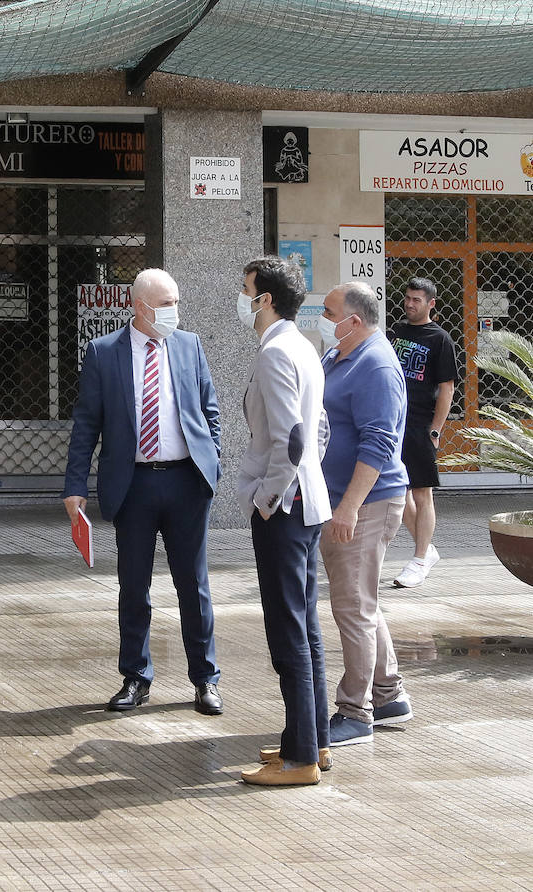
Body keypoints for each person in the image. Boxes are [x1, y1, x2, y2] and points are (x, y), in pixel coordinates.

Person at [61, 268, 223, 716]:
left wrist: (213, 464)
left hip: (187, 481)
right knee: (134, 587)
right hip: (132, 484)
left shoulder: (188, 345)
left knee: (194, 585)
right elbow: (86, 425)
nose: (174, 311)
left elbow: (209, 410)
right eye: (166, 303)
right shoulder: (104, 352)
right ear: (139, 306)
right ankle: (135, 676)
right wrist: (74, 485)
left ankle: (205, 679)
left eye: (176, 302)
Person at [234, 256, 333, 787]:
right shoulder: (304, 346)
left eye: (247, 290)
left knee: (288, 628)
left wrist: (268, 499)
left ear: (265, 298)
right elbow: (318, 431)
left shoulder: (275, 351)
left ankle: (300, 759)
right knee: (304, 624)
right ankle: (311, 740)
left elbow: (291, 439)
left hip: (287, 506)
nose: (243, 299)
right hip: (307, 501)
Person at [319, 281, 413, 747]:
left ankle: (356, 712)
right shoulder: (340, 355)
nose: (322, 317)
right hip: (348, 500)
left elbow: (379, 444)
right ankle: (389, 692)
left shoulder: (375, 364)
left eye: (329, 311)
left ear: (354, 321)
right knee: (364, 601)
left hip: (367, 503)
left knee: (352, 608)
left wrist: (348, 507)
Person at [388, 278, 457, 588]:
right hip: (394, 422)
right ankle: (426, 550)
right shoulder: (395, 333)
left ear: (431, 304)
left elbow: (447, 388)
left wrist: (436, 430)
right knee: (398, 492)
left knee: (422, 493)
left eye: (417, 299)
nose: (410, 304)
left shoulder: (440, 339)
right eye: (407, 298)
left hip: (420, 424)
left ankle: (418, 560)